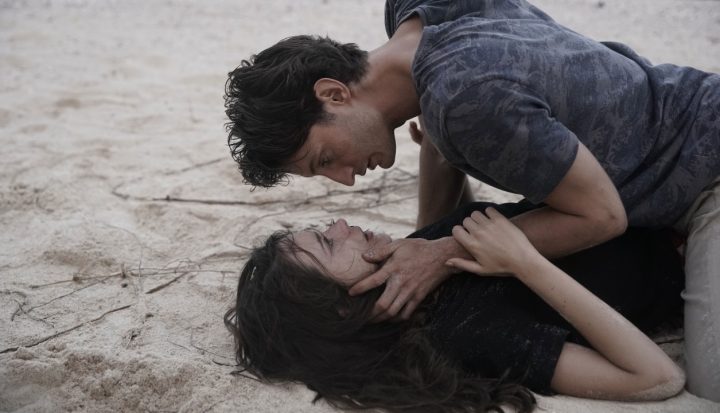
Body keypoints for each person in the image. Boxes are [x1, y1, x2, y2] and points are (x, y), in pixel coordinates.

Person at [223, 0, 720, 399]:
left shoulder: (462, 104)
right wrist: (443, 154)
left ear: (334, 94)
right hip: (689, 100)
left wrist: (446, 251)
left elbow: (603, 217)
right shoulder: (414, 19)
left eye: (326, 157)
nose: (345, 181)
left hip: (702, 179)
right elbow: (444, 203)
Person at [225, 202, 686, 412]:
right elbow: (655, 378)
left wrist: (436, 147)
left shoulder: (413, 259)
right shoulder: (464, 334)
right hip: (685, 245)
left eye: (327, 228)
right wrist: (525, 262)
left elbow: (446, 216)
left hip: (645, 197)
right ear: (341, 307)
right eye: (329, 243)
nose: (342, 224)